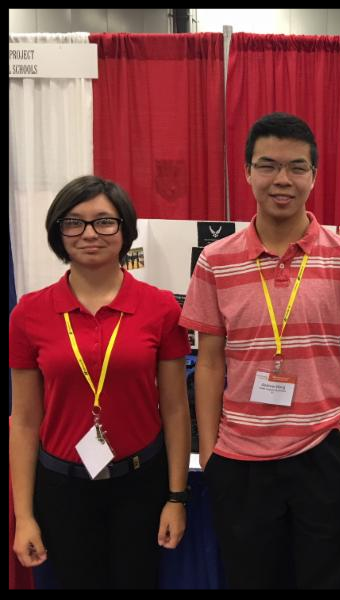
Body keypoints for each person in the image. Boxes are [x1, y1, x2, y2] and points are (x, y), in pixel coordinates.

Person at [179, 112, 340, 589]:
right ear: (247, 172)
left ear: (314, 175)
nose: (282, 179)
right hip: (240, 458)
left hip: (322, 453)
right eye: (267, 165)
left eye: (296, 167)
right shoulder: (216, 260)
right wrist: (209, 451)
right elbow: (209, 362)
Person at [9, 175, 191, 589]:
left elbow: (176, 409)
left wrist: (176, 497)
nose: (90, 234)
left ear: (125, 229)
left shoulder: (161, 307)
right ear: (58, 232)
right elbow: (24, 422)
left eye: (105, 222)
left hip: (140, 483)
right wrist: (24, 517)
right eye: (74, 222)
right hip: (62, 487)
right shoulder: (29, 314)